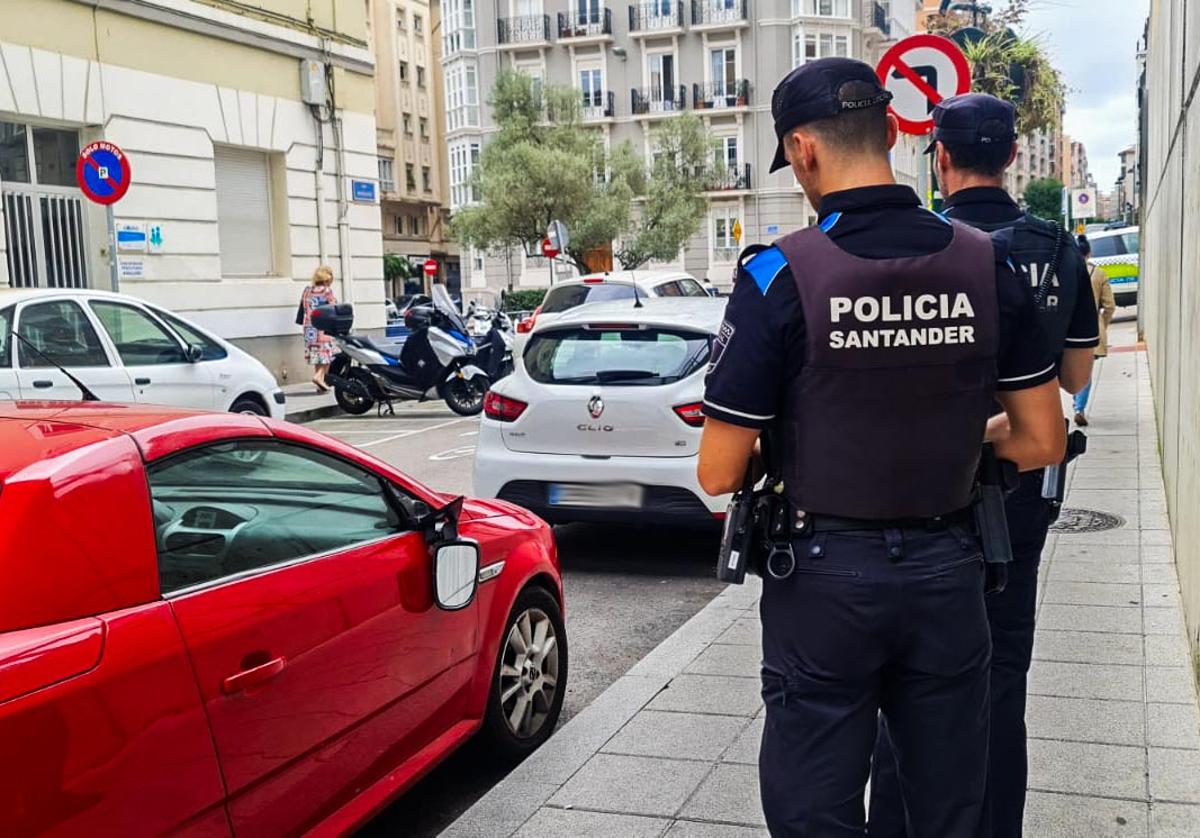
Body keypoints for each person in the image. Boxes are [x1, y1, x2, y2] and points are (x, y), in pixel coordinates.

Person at [697, 59, 1066, 838]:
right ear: (894, 132)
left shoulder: (777, 275)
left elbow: (719, 470)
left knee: (816, 813)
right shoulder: (985, 262)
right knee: (946, 810)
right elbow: (1041, 438)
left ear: (802, 150)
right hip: (950, 573)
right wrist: (962, 445)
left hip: (824, 585)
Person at [869, 94, 1100, 838]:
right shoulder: (1058, 248)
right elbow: (1072, 378)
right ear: (1009, 160)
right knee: (1001, 679)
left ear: (940, 158)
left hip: (925, 495)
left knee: (904, 684)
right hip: (1020, 491)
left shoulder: (918, 244)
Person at [1072, 235, 1116, 426]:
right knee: (1085, 370)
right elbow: (1110, 306)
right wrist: (1102, 324)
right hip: (1091, 328)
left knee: (1071, 369)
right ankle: (1079, 408)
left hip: (1068, 329)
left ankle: (1076, 404)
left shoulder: (1065, 271)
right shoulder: (1099, 274)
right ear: (1089, 253)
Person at [301, 265, 339, 392]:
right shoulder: (326, 291)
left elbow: (303, 308)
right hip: (323, 327)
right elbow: (334, 307)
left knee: (317, 355)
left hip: (309, 327)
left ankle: (320, 385)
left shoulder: (307, 290)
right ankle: (319, 377)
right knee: (327, 354)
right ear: (328, 279)